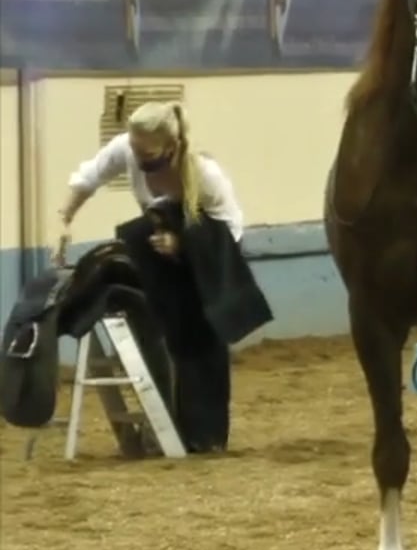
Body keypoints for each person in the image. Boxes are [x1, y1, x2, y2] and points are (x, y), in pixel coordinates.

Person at [57, 102, 271, 455]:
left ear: (171, 146)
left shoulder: (205, 175)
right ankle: (164, 422)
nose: (139, 157)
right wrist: (64, 218)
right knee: (153, 314)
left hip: (208, 249)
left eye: (148, 153)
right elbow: (89, 177)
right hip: (160, 242)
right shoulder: (127, 149)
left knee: (202, 338)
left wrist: (182, 244)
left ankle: (205, 436)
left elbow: (229, 230)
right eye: (135, 149)